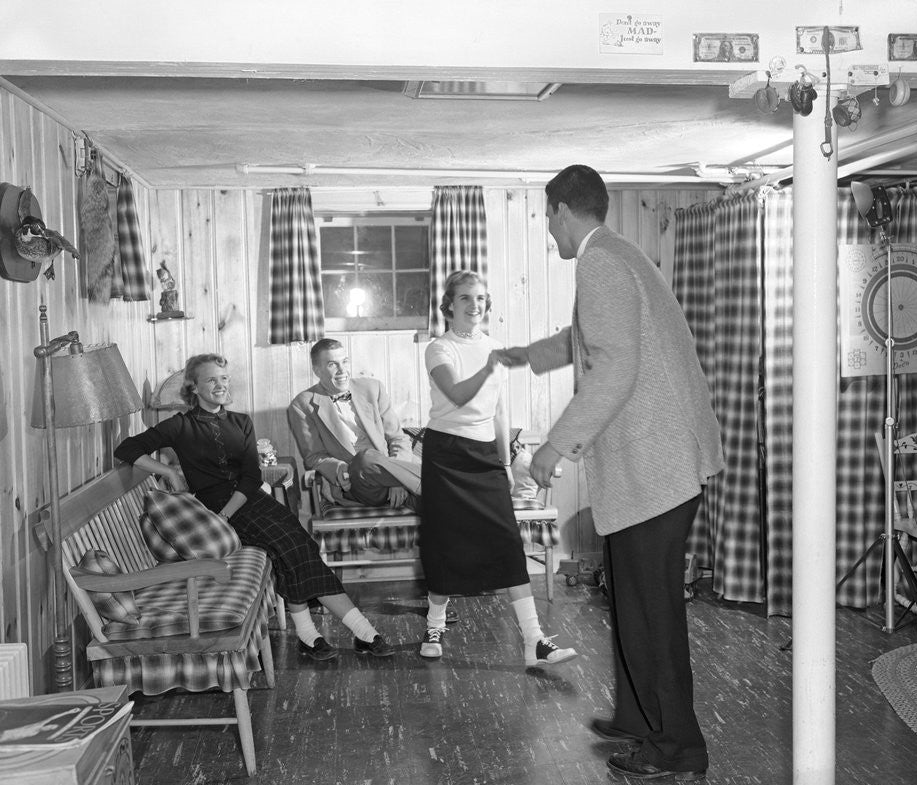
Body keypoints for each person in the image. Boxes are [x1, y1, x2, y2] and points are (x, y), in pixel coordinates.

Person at [496, 165, 724, 781]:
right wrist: (529, 356)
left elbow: (615, 366)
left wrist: (554, 448)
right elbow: (589, 337)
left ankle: (677, 745)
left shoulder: (598, 263)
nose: (549, 232)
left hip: (656, 468)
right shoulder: (621, 254)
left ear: (565, 210)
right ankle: (635, 715)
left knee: (652, 611)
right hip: (662, 463)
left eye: (548, 217)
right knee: (629, 598)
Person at [114, 353, 395, 662]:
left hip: (247, 500)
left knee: (297, 546)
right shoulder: (178, 426)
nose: (220, 385)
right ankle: (359, 633)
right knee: (291, 547)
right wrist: (168, 471)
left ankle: (317, 634)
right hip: (211, 504)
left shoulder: (241, 421)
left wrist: (226, 515)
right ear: (194, 387)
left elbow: (251, 477)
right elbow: (126, 449)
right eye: (211, 380)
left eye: (224, 378)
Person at [417, 270, 577, 668]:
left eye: (482, 298)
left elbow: (500, 411)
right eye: (467, 298)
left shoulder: (494, 347)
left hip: (485, 455)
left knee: (507, 542)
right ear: (449, 305)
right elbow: (455, 395)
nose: (476, 305)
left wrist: (504, 464)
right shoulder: (439, 349)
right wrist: (489, 367)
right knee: (443, 542)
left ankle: (535, 641)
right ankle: (434, 624)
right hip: (446, 455)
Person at [288, 339, 421, 511]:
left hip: (391, 480)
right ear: (317, 371)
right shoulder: (303, 405)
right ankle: (432, 480)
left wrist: (396, 481)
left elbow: (398, 438)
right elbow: (314, 456)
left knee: (441, 506)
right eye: (332, 365)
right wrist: (336, 470)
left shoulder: (373, 389)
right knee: (364, 459)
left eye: (345, 361)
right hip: (354, 484)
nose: (342, 370)